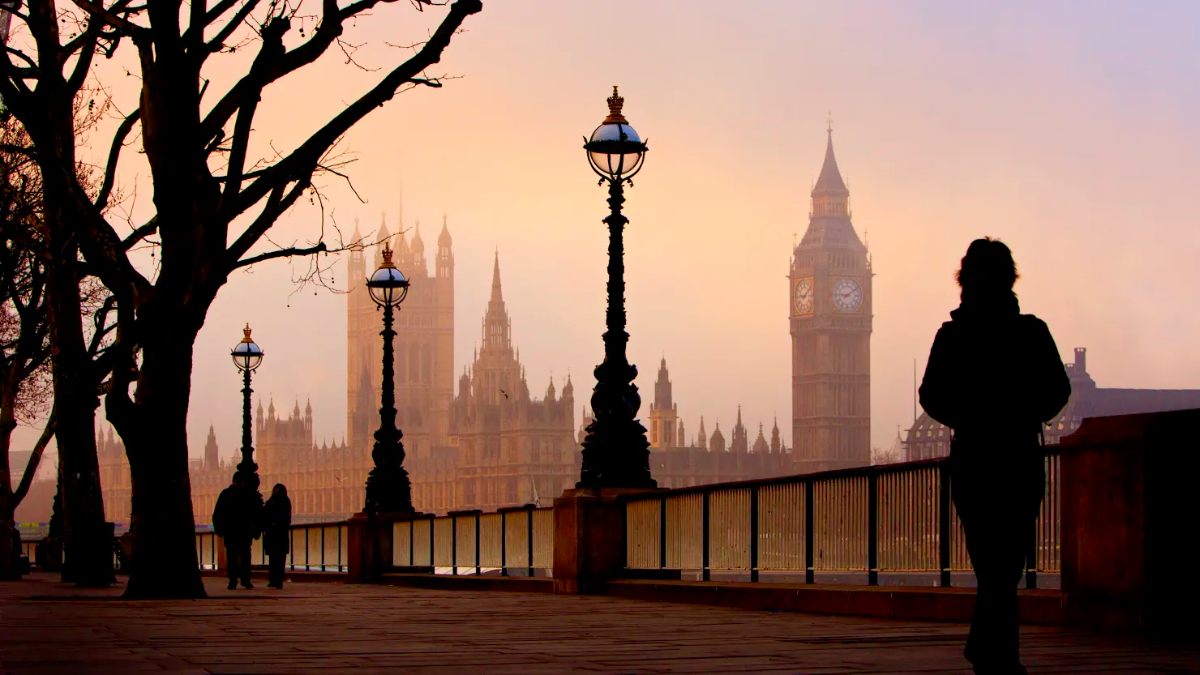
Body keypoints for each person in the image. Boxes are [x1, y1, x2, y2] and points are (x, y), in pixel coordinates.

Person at [919, 238, 1071, 675]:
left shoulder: (952, 336)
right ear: (1011, 278)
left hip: (975, 460)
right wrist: (1024, 413)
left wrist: (968, 417)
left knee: (992, 562)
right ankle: (998, 656)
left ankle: (990, 653)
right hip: (1019, 458)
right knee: (1005, 564)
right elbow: (1058, 391)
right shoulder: (1032, 332)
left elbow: (931, 396)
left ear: (963, 282)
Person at [212, 473, 263, 590]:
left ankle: (240, 580)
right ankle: (236, 580)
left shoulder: (227, 494)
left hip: (240, 531)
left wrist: (220, 529)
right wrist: (220, 529)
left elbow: (256, 514)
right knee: (235, 557)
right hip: (235, 531)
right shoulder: (235, 495)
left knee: (241, 556)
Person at [263, 483, 292, 589]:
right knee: (274, 559)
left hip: (278, 534)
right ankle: (274, 580)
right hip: (275, 534)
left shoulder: (280, 502)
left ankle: (277, 581)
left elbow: (287, 519)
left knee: (278, 559)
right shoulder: (271, 502)